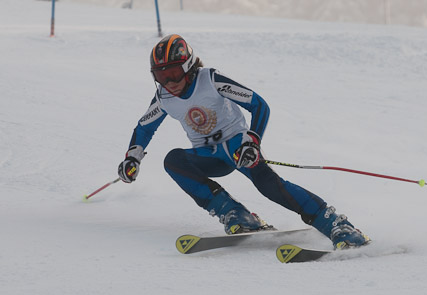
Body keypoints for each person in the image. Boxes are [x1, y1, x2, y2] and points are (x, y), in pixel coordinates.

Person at [117, 34, 370, 249]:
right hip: (207, 155)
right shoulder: (163, 97)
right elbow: (144, 128)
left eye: (173, 72)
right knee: (174, 160)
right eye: (161, 76)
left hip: (237, 147)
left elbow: (259, 105)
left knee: (269, 186)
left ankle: (337, 225)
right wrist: (132, 158)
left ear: (190, 66)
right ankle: (235, 213)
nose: (169, 82)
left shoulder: (210, 79)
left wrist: (252, 141)